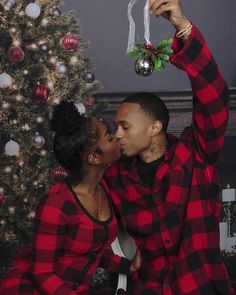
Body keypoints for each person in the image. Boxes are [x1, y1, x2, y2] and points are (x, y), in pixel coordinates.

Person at [105, 0, 234, 294]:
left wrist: (183, 27)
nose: (118, 134)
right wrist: (121, 265)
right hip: (147, 287)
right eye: (115, 127)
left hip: (200, 285)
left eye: (125, 126)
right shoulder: (116, 177)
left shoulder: (195, 155)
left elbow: (215, 96)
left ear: (154, 128)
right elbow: (88, 228)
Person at [0, 101, 140, 295]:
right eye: (110, 137)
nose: (117, 137)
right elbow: (42, 274)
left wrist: (127, 266)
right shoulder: (57, 204)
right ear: (94, 158)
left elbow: (92, 249)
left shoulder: (103, 189)